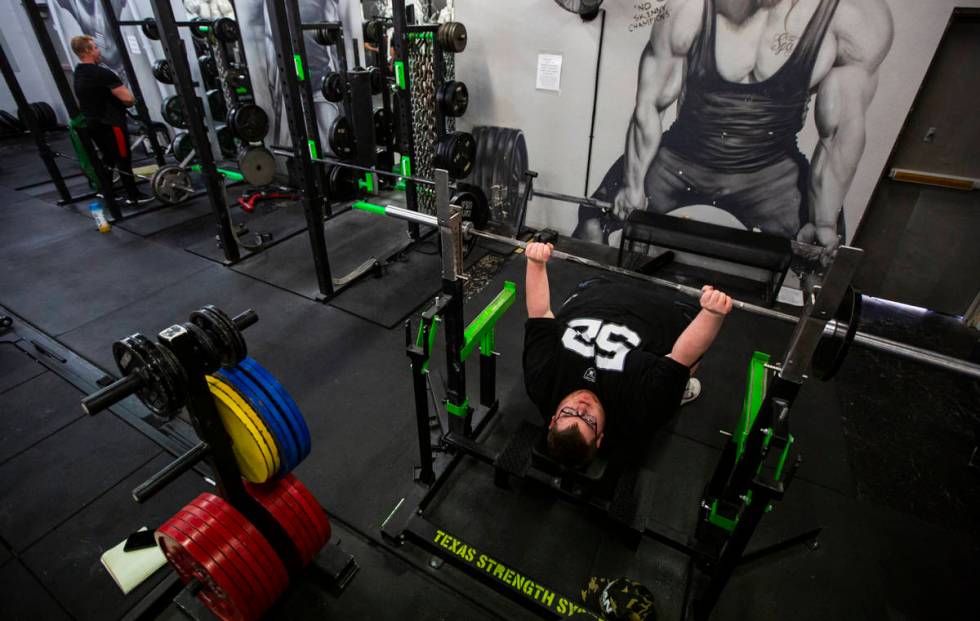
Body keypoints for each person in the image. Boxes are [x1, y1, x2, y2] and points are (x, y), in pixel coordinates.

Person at [574, 0, 893, 252]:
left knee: (820, 258)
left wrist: (823, 221)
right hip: (680, 158)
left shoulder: (853, 18)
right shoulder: (689, 6)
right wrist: (633, 185)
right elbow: (651, 105)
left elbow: (838, 135)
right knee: (592, 221)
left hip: (771, 173)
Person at [522, 241, 733, 467]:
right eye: (588, 420)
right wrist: (712, 313)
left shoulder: (541, 384)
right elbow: (681, 357)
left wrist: (535, 262)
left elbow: (540, 314)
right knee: (680, 371)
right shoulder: (638, 414)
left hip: (598, 289)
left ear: (553, 419)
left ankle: (674, 386)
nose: (582, 407)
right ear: (601, 436)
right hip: (668, 310)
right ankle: (679, 388)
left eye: (569, 413)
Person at [70, 35, 147, 204]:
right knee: (123, 158)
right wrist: (132, 100)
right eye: (96, 47)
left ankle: (106, 191)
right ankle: (133, 196)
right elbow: (127, 99)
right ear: (88, 51)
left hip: (93, 123)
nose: (99, 50)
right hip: (112, 123)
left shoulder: (79, 73)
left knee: (108, 157)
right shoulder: (102, 74)